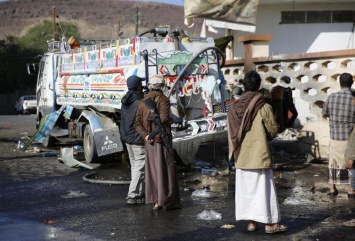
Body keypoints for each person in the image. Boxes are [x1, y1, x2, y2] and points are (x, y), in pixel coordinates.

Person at [227, 70, 287, 234]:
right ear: (258, 85)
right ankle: (269, 224)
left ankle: (251, 223)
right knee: (264, 190)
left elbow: (232, 134)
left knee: (247, 190)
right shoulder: (264, 106)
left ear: (244, 86)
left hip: (241, 155)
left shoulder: (233, 108)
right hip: (260, 154)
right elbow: (273, 131)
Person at [134, 74, 181, 210]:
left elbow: (137, 123)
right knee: (167, 170)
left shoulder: (143, 101)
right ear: (161, 86)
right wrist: (154, 134)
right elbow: (164, 119)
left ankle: (156, 201)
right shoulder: (164, 100)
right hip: (161, 141)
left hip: (149, 142)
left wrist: (146, 135)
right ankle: (167, 200)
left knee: (153, 172)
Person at [322, 72, 355, 196]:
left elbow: (324, 112)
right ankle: (351, 189)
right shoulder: (353, 97)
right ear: (351, 83)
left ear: (340, 84)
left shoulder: (332, 97)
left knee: (333, 162)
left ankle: (332, 188)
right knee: (352, 163)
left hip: (335, 136)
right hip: (350, 137)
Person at [120, 75, 145, 205]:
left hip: (127, 137)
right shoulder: (140, 101)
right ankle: (132, 195)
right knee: (140, 166)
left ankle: (139, 194)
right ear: (138, 86)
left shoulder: (125, 100)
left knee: (135, 166)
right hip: (136, 138)